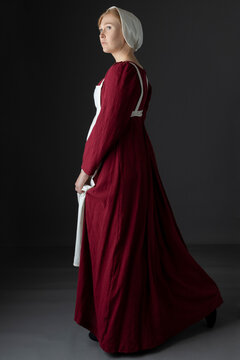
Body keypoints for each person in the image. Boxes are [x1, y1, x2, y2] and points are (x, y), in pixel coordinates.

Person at [74, 5, 224, 354]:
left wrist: (85, 172)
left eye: (109, 27)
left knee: (117, 244)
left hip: (118, 166)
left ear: (127, 32)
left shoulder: (123, 74)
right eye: (101, 28)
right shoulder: (140, 74)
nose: (102, 34)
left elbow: (108, 128)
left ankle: (119, 328)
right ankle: (110, 319)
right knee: (141, 242)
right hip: (136, 159)